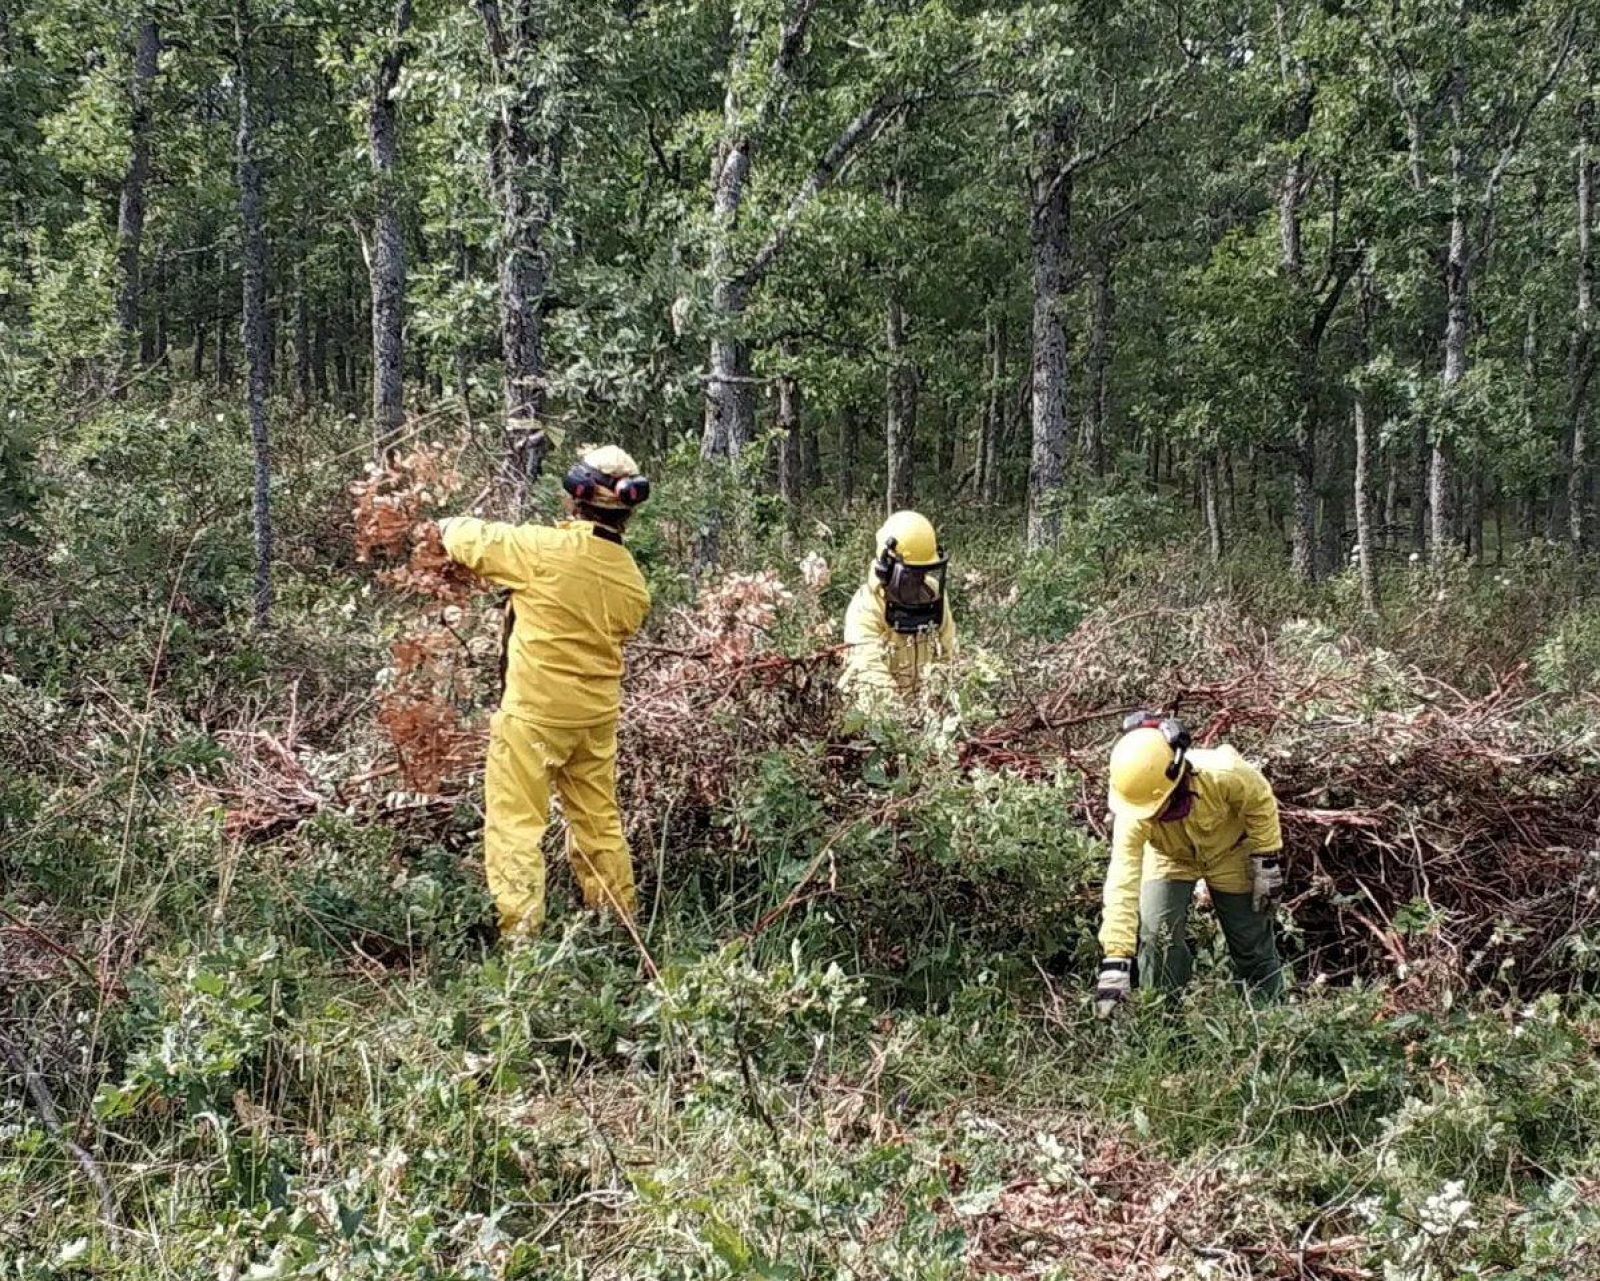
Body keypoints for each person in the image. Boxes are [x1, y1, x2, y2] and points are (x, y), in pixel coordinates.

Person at [438, 445, 652, 938]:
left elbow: (468, 537)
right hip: (594, 721)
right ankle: (619, 926)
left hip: (533, 719)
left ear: (575, 496)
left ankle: (522, 943)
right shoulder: (631, 581)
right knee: (599, 825)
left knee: (515, 827)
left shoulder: (539, 551)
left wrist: (438, 527)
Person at [1095, 713, 1286, 1012]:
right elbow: (1122, 878)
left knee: (1250, 939)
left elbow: (1260, 800)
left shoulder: (1224, 772)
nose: (1152, 814)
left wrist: (1267, 858)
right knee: (1158, 935)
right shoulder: (1134, 810)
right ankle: (1161, 1019)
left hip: (1230, 852)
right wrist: (1116, 959)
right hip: (1169, 857)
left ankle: (1272, 1017)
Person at [840, 510, 957, 710]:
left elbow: (948, 657)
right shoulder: (866, 607)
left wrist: (939, 704)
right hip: (881, 720)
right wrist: (903, 723)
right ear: (886, 569)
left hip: (926, 712)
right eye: (911, 574)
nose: (918, 582)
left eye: (922, 573)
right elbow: (869, 675)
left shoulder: (933, 594)